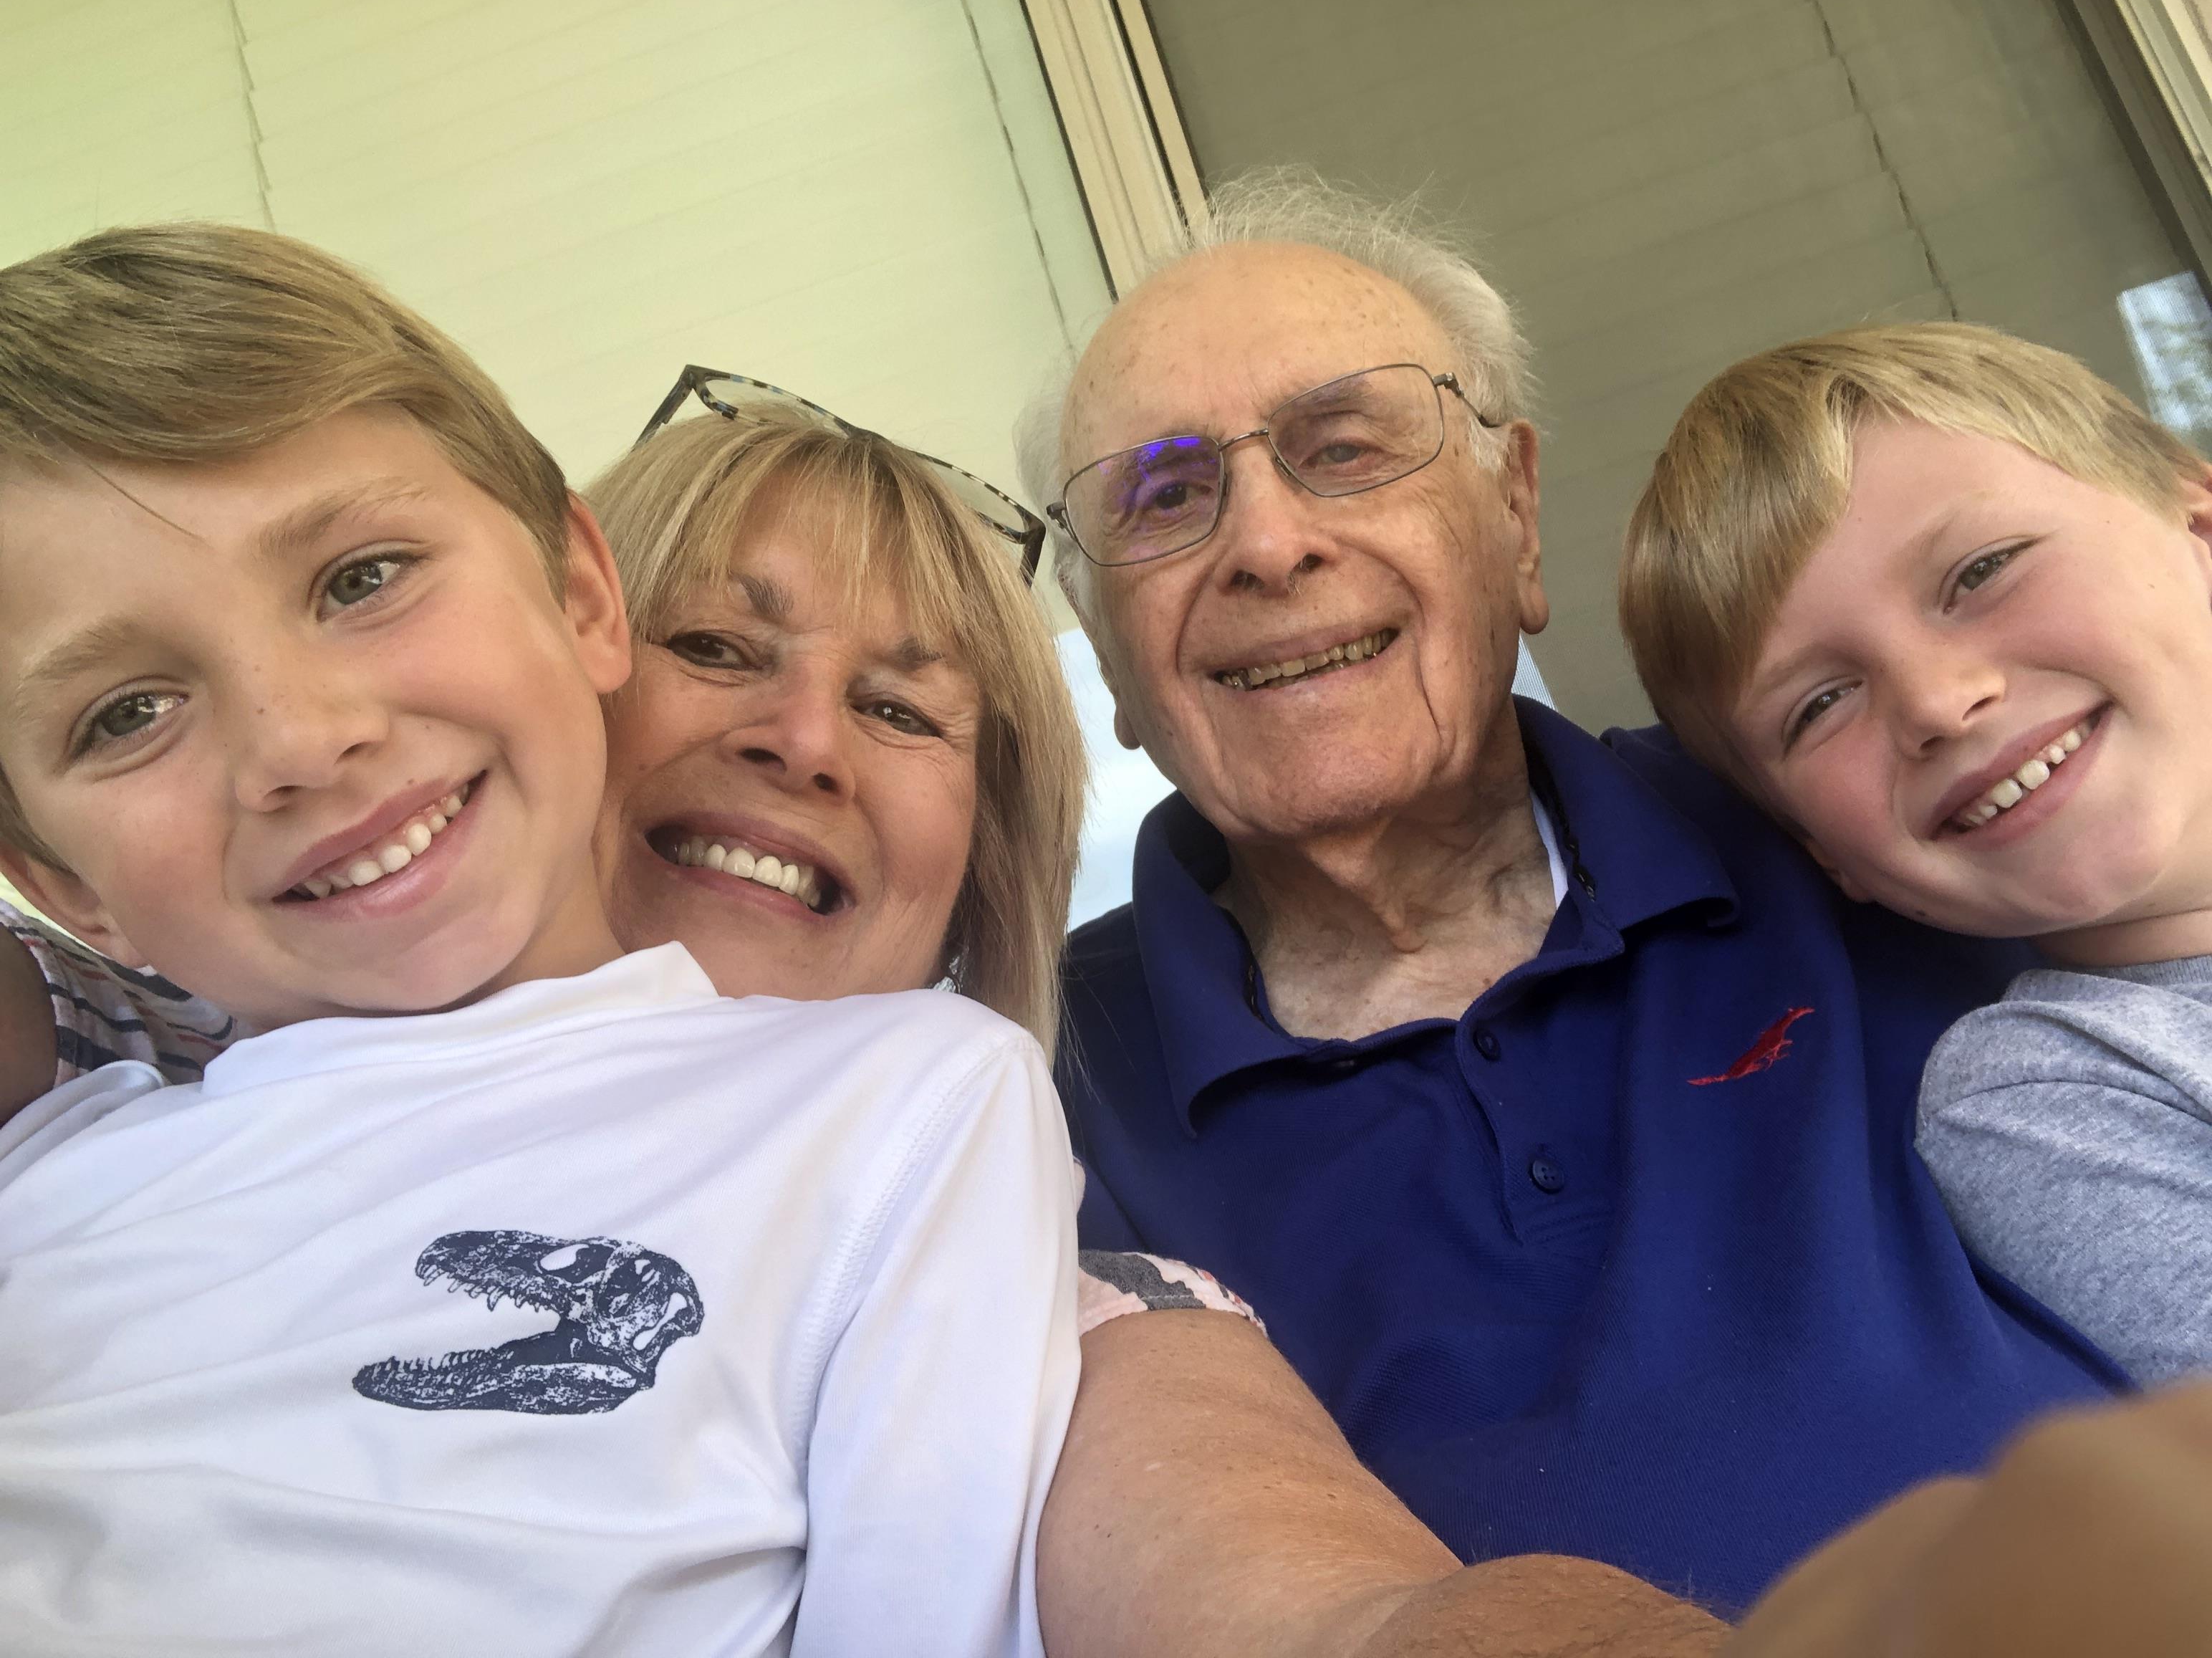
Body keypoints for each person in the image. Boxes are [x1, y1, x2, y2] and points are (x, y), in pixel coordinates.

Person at [0, 224, 1726, 1657]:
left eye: (906, 707)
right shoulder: (104, 1098)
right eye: (722, 647)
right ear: (587, 628)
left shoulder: (969, 1168)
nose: (806, 740)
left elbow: (1308, 1600)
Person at [1016, 171, 2122, 1617]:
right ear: (1104, 650)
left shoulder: (1837, 797)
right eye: (1165, 495)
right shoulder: (1028, 1094)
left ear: (1515, 518)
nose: (1269, 542)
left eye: (1342, 446)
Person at [0, 223, 1082, 1654]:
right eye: (124, 711)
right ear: (58, 880)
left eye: (360, 576)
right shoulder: (55, 1173)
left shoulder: (921, 1104)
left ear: (573, 596)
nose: (304, 740)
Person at [1618, 322, 2212, 1389]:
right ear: (1828, 856)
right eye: (1821, 705)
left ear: (2200, 532)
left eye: (1982, 571)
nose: (1940, 703)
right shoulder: (2048, 1091)